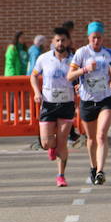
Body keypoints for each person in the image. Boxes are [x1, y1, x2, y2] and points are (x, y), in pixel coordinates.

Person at [67, 22, 111, 185]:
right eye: (94, 38)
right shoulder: (81, 53)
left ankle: (101, 171)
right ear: (88, 37)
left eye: (99, 38)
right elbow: (69, 76)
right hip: (87, 101)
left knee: (101, 135)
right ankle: (93, 167)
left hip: (105, 99)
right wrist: (85, 69)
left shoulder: (108, 53)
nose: (97, 41)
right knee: (91, 139)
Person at [30, 27, 75, 187]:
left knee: (62, 142)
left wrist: (78, 87)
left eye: (63, 40)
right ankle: (50, 147)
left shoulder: (74, 60)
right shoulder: (43, 58)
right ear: (53, 42)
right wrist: (37, 92)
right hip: (48, 104)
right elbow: (34, 75)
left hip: (67, 104)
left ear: (68, 42)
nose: (60, 43)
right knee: (47, 143)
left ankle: (61, 176)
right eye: (57, 40)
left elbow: (79, 79)